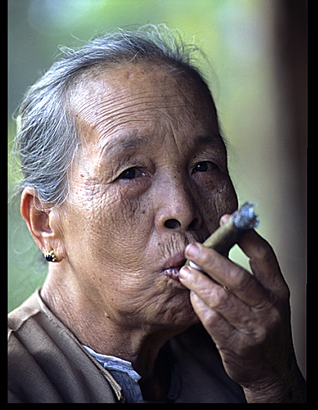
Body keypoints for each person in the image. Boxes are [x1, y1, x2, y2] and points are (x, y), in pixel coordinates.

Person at [8, 25, 305, 403]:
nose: (182, 210)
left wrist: (273, 383)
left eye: (204, 166)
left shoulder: (243, 360)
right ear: (45, 223)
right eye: (130, 173)